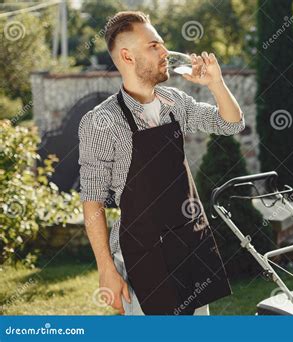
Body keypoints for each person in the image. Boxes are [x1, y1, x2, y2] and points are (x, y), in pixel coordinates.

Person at [78, 11, 244, 315]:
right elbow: (93, 201)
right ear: (127, 56)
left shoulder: (174, 102)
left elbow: (231, 124)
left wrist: (216, 84)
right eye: (154, 46)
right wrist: (105, 269)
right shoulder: (101, 121)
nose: (165, 52)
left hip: (189, 246)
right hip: (142, 256)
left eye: (162, 44)